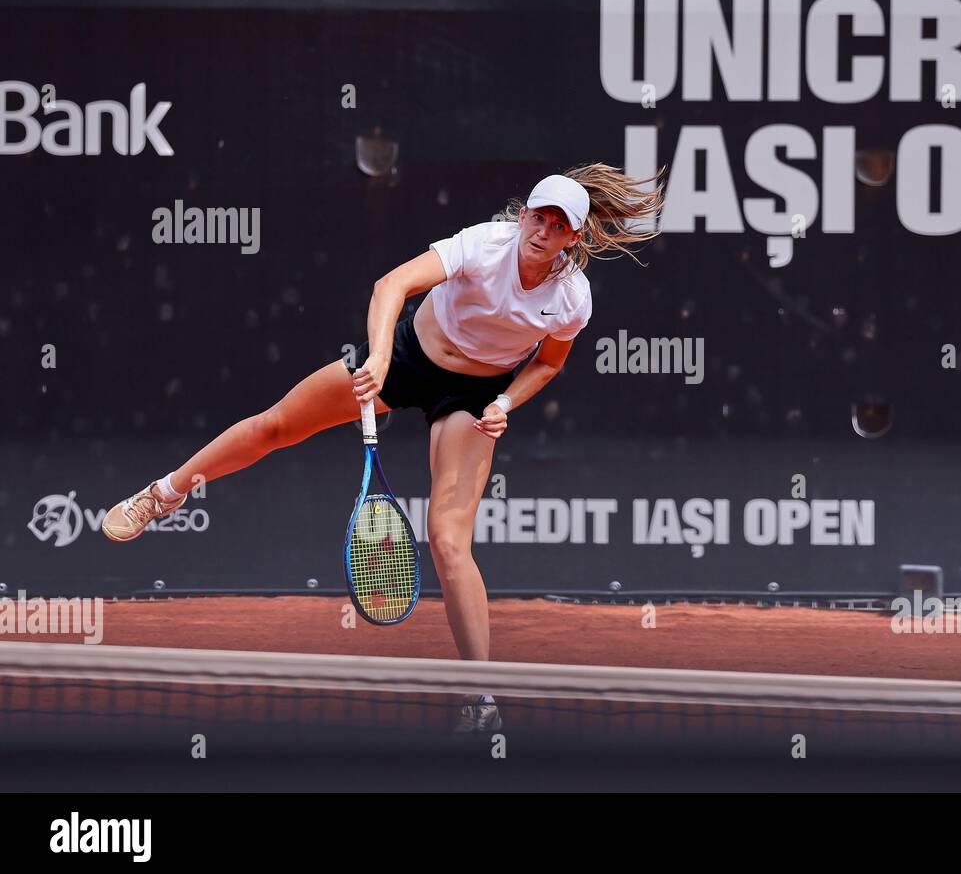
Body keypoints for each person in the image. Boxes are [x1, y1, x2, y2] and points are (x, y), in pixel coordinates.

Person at [101, 163, 666, 732]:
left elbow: (547, 363)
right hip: (404, 358)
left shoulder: (572, 298)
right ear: (523, 216)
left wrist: (504, 404)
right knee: (276, 426)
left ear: (574, 236)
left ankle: (481, 696)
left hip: (474, 395)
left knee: (448, 542)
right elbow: (391, 286)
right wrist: (376, 358)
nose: (542, 229)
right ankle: (163, 494)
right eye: (536, 216)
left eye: (557, 224)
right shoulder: (482, 244)